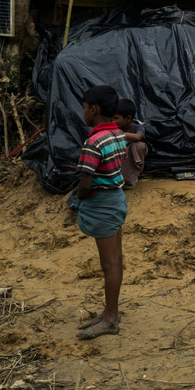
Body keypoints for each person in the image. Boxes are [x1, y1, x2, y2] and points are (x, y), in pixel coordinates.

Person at [73, 85, 128, 340]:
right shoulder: (118, 133)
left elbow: (86, 182)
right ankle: (110, 311)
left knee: (109, 264)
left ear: (93, 109)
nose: (83, 112)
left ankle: (110, 318)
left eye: (84, 108)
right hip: (116, 199)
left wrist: (79, 198)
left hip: (102, 204)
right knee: (115, 260)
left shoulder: (93, 142)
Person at [112, 99, 148, 190]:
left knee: (139, 146)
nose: (113, 121)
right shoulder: (113, 128)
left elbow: (137, 137)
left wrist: (118, 134)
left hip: (131, 158)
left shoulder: (137, 127)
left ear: (128, 118)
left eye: (116, 118)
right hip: (117, 160)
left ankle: (131, 177)